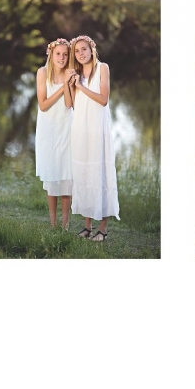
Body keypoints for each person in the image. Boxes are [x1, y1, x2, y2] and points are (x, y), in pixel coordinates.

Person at [68, 35, 120, 241]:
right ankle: (87, 227)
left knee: (100, 174)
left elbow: (103, 100)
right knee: (84, 174)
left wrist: (80, 86)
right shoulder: (77, 74)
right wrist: (70, 84)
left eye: (84, 49)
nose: (81, 53)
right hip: (81, 128)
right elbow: (74, 104)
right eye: (77, 51)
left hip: (98, 128)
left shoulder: (102, 68)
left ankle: (103, 230)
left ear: (92, 49)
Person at [35, 37, 74, 229]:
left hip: (66, 128)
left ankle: (65, 224)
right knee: (52, 176)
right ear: (51, 54)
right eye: (58, 54)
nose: (61, 58)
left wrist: (67, 82)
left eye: (65, 54)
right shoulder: (42, 73)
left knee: (66, 177)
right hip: (48, 129)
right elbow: (43, 105)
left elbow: (69, 104)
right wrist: (61, 87)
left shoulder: (70, 74)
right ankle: (53, 224)